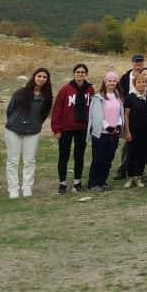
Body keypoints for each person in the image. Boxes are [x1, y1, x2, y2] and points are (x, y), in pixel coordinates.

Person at [4, 68, 52, 199]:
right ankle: (13, 189)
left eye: (44, 77)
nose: (41, 79)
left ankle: (27, 188)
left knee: (29, 160)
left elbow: (44, 114)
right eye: (39, 76)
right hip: (14, 130)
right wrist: (16, 122)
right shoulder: (20, 93)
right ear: (34, 77)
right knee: (13, 160)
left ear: (47, 80)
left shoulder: (46, 97)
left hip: (33, 131)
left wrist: (34, 124)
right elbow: (10, 110)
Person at [51, 63, 92, 195]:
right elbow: (57, 110)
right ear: (74, 74)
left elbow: (93, 108)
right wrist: (56, 129)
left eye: (82, 72)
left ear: (86, 74)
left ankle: (77, 181)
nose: (80, 74)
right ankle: (62, 182)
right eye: (78, 72)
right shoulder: (65, 89)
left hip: (82, 127)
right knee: (64, 155)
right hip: (66, 127)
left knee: (79, 155)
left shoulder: (89, 89)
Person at [86, 72, 123, 191]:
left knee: (108, 159)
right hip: (101, 133)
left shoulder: (119, 97)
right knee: (98, 158)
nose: (112, 83)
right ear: (105, 82)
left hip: (114, 134)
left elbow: (120, 114)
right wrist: (107, 127)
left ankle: (102, 181)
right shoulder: (98, 97)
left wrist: (118, 125)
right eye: (109, 81)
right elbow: (97, 116)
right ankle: (93, 183)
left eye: (114, 81)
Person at [122, 73, 147, 188]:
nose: (141, 84)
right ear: (135, 84)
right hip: (133, 131)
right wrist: (127, 131)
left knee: (142, 154)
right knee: (131, 154)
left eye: (144, 82)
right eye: (139, 82)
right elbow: (126, 115)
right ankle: (130, 177)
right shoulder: (130, 97)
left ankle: (138, 177)